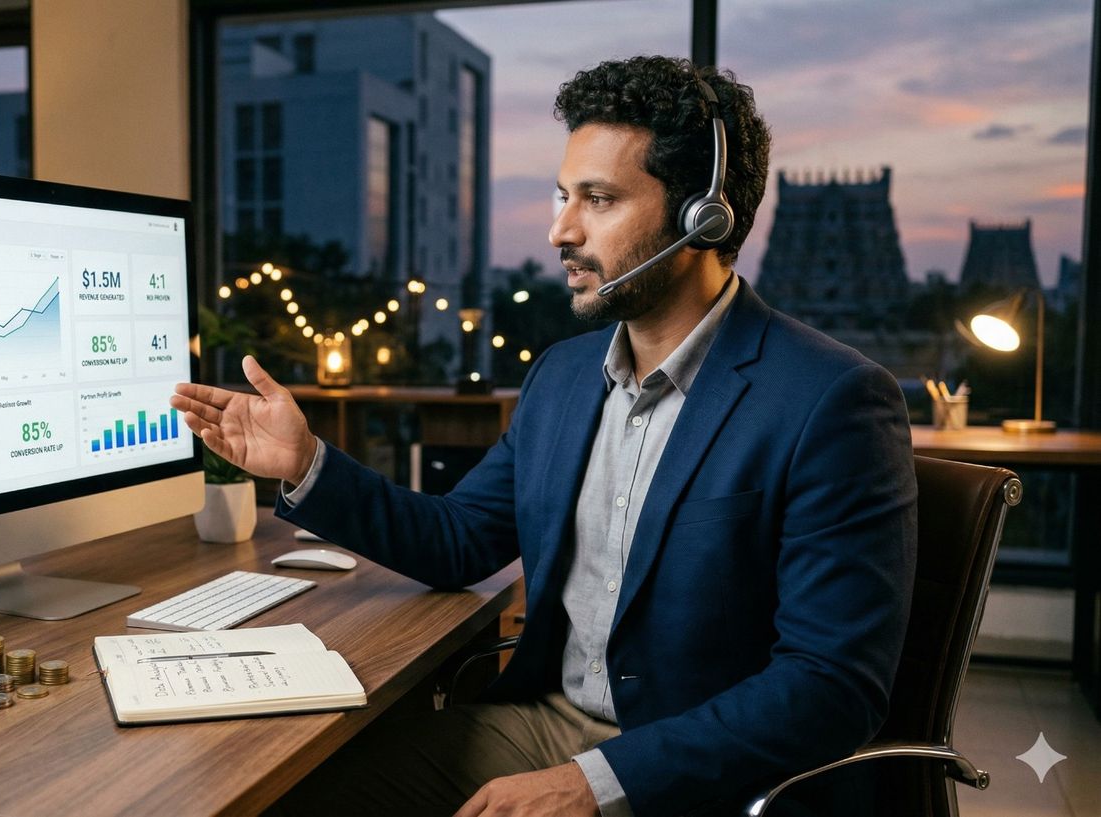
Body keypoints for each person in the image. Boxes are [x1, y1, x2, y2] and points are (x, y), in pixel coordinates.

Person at [172, 55, 915, 817]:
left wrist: (596, 783)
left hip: (707, 778)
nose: (562, 230)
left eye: (599, 199)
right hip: (546, 726)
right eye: (565, 196)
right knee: (286, 793)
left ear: (703, 217)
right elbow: (460, 540)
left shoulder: (831, 399)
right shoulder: (562, 376)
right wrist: (307, 464)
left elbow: (831, 685)